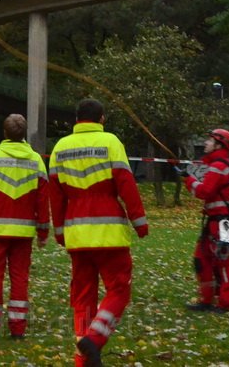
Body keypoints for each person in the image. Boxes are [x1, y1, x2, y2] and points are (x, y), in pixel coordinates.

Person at [49, 98, 149, 367]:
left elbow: (56, 196)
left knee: (83, 299)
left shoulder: (60, 148)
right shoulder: (111, 143)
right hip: (109, 233)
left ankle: (83, 359)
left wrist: (59, 231)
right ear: (101, 119)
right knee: (119, 290)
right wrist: (139, 222)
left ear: (77, 119)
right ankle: (94, 339)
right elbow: (126, 184)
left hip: (77, 233)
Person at [0, 113, 50, 342]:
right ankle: (17, 329)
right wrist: (43, 233)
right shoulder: (36, 160)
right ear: (24, 134)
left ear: (4, 133)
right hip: (23, 233)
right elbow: (43, 201)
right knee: (20, 278)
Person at [180, 128, 229, 313]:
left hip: (222, 223)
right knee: (202, 259)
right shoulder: (220, 165)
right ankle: (206, 299)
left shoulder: (219, 166)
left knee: (222, 262)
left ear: (219, 145)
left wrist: (188, 180)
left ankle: (227, 303)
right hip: (215, 222)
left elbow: (205, 191)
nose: (206, 143)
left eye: (209, 140)